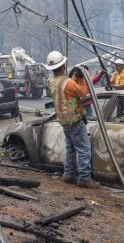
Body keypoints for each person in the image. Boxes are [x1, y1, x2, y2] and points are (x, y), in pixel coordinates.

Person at [44, 51, 100, 189]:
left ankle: (68, 174)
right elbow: (82, 92)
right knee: (83, 149)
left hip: (63, 121)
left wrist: (75, 77)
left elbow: (68, 92)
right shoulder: (67, 82)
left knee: (70, 148)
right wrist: (81, 78)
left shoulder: (51, 81)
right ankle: (85, 179)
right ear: (63, 65)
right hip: (74, 120)